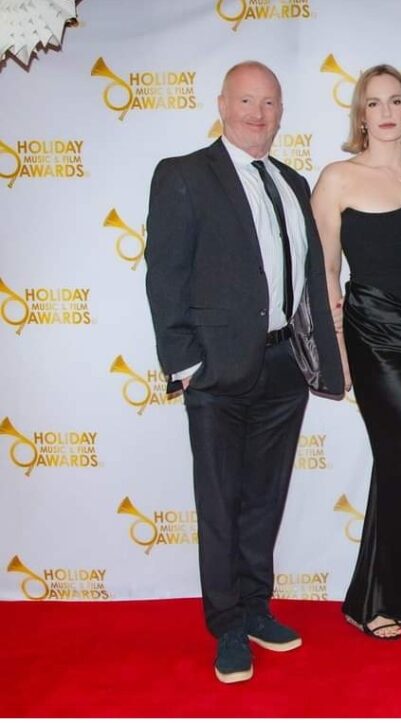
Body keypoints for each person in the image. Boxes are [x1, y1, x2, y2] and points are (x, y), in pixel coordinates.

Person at [145, 61, 344, 683]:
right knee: (222, 503)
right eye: (247, 102)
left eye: (269, 104)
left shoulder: (292, 179)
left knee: (265, 499)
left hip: (284, 366)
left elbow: (310, 278)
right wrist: (186, 364)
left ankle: (256, 606)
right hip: (218, 374)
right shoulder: (183, 175)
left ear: (281, 113)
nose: (258, 115)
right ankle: (226, 624)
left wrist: (323, 360)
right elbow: (165, 276)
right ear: (223, 105)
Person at [311, 64, 401, 640]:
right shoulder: (337, 178)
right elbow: (324, 275)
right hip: (372, 338)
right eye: (374, 103)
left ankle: (370, 596)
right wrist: (337, 349)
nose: (387, 111)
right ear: (360, 115)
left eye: (396, 100)